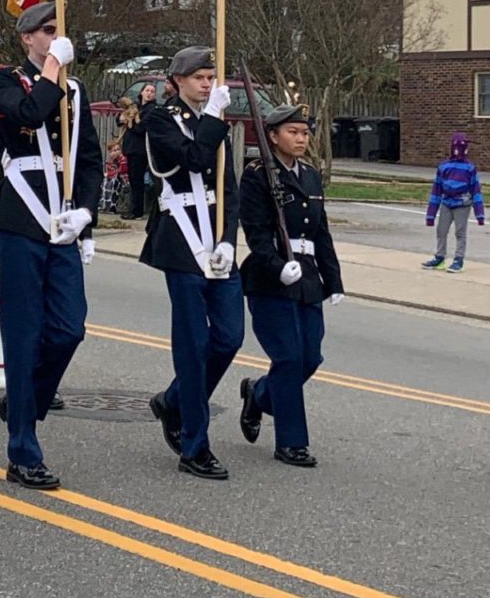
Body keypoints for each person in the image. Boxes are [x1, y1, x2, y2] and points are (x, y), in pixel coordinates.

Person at [0, 1, 102, 489]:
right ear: (27, 37)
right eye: (47, 31)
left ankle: (23, 399)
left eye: (60, 32)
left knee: (69, 328)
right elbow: (30, 114)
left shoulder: (74, 90)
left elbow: (90, 158)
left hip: (62, 223)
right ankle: (23, 450)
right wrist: (54, 67)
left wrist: (87, 216)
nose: (56, 38)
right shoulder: (4, 79)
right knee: (24, 335)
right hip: (22, 220)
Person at [142, 47, 244, 480]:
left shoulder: (215, 122)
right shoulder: (159, 120)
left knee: (229, 337)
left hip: (215, 238)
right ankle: (194, 445)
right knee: (193, 344)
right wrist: (214, 122)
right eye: (198, 77)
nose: (206, 84)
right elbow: (196, 159)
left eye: (210, 77)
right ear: (177, 81)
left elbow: (229, 187)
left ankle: (175, 400)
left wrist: (228, 240)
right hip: (181, 238)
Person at [238, 104, 344, 468]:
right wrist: (276, 266)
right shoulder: (257, 175)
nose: (301, 139)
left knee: (310, 357)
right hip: (271, 279)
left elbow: (321, 232)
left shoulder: (311, 176)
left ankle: (259, 394)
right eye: (292, 133)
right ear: (273, 136)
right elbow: (256, 231)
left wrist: (334, 280)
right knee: (288, 358)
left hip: (308, 277)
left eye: (304, 132)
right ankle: (291, 442)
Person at [422, 132, 485, 273]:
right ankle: (439, 257)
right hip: (446, 203)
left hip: (462, 204)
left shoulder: (470, 168)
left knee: (460, 232)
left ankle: (458, 259)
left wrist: (479, 213)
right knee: (441, 230)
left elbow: (476, 191)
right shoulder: (444, 167)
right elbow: (436, 190)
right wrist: (430, 215)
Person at [120, 84, 155, 219]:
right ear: (141, 92)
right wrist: (124, 119)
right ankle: (133, 208)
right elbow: (121, 118)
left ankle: (137, 211)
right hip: (130, 147)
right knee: (133, 180)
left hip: (140, 149)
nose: (149, 93)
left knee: (137, 180)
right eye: (147, 90)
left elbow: (141, 128)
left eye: (152, 91)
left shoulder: (150, 110)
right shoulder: (135, 106)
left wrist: (131, 124)